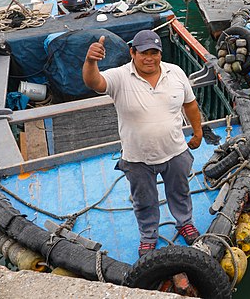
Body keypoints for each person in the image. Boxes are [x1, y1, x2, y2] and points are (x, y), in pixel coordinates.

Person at [83, 30, 203, 257]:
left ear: (160, 53)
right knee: (144, 200)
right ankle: (149, 235)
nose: (150, 58)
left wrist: (197, 132)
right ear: (132, 53)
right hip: (137, 158)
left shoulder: (176, 72)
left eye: (154, 53)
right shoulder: (119, 76)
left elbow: (190, 104)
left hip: (176, 151)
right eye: (144, 53)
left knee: (180, 192)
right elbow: (94, 82)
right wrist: (91, 61)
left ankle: (185, 222)